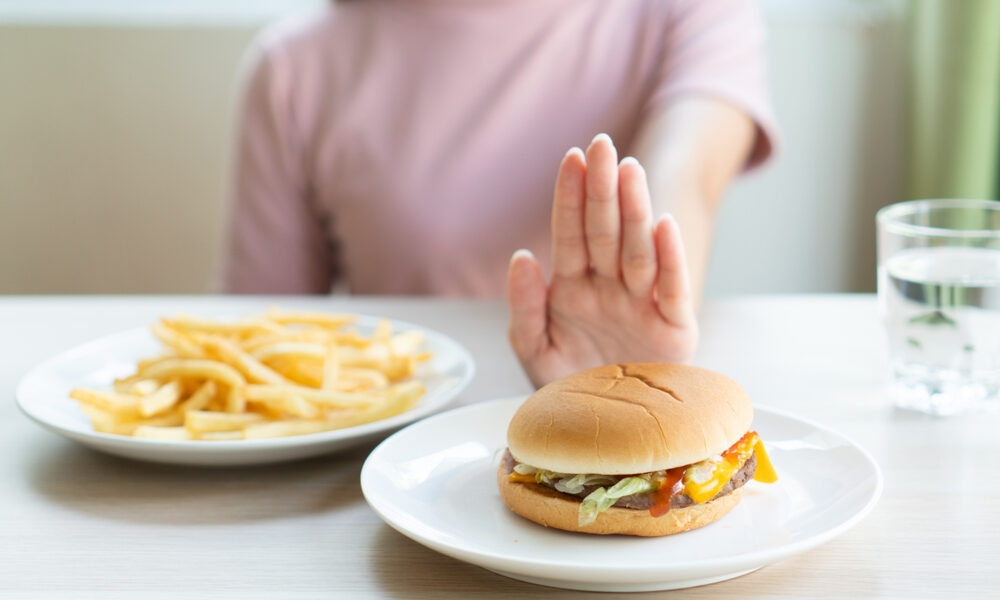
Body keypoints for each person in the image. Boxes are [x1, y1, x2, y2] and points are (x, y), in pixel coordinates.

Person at [219, 0, 777, 387]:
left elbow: (684, 172)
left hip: (615, 412)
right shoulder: (293, 65)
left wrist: (636, 332)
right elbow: (264, 345)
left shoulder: (688, 12)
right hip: (389, 462)